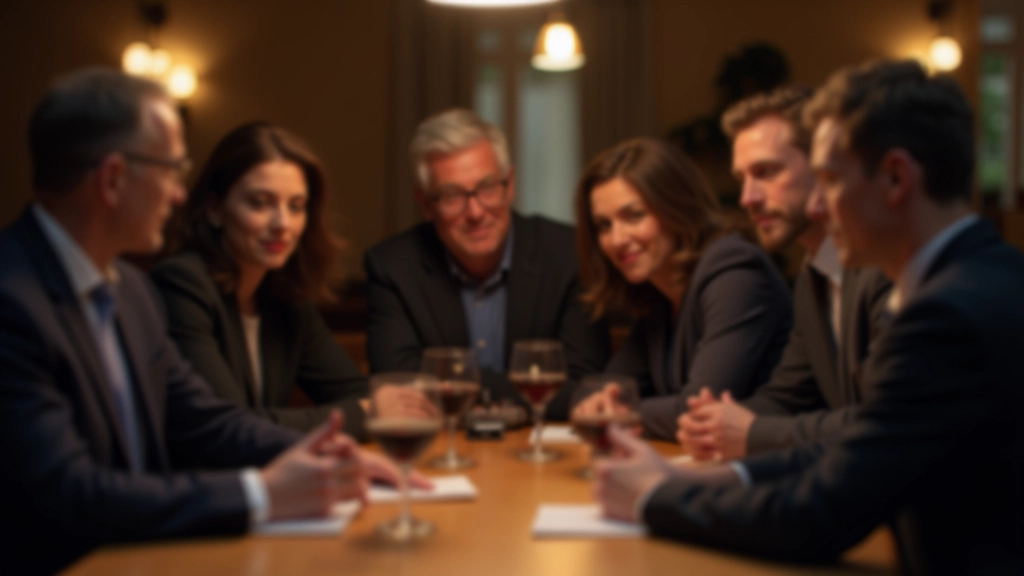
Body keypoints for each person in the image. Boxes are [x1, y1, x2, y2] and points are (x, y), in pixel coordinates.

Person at [593, 60, 1024, 576]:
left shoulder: (947, 315)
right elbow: (859, 448)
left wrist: (653, 498)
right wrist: (698, 478)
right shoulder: (974, 277)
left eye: (831, 180)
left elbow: (818, 515)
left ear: (895, 178)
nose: (820, 204)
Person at [0, 68, 403, 574]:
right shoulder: (12, 301)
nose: (177, 194)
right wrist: (260, 492)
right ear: (113, 178)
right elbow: (70, 496)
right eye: (170, 170)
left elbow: (205, 421)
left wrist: (338, 454)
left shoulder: (131, 292)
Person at [676, 87, 891, 459]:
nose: (747, 198)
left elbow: (888, 421)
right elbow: (790, 395)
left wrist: (753, 432)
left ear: (824, 167)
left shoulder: (886, 266)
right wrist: (713, 423)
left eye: (766, 172)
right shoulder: (813, 276)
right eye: (742, 177)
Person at [364, 108, 609, 420]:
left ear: (510, 185)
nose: (476, 212)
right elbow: (398, 390)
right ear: (426, 204)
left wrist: (457, 388)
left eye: (488, 187)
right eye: (452, 195)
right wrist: (520, 392)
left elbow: (585, 390)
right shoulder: (393, 267)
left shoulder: (570, 254)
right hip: (439, 458)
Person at [151, 122, 373, 438]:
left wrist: (365, 410)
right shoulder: (182, 283)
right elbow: (230, 429)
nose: (282, 223)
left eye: (296, 206)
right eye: (260, 203)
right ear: (215, 209)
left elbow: (358, 392)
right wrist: (359, 416)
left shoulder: (286, 297)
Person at [571, 137, 793, 440]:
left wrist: (614, 413)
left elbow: (699, 409)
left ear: (676, 207)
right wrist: (597, 405)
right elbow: (601, 391)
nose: (617, 239)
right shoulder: (657, 292)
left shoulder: (735, 271)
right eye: (604, 225)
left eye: (634, 215)